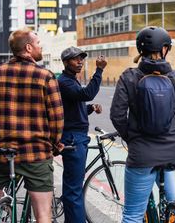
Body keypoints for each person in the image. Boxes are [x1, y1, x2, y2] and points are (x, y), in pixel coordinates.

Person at [110, 26, 175, 223]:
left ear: (141, 50)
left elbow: (117, 116)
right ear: (164, 49)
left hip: (142, 154)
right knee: (165, 168)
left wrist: (131, 138)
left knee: (132, 216)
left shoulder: (129, 77)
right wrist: (169, 123)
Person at [0, 27, 64, 223]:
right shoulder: (45, 76)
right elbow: (57, 120)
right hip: (36, 154)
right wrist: (54, 145)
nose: (40, 45)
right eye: (38, 42)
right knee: (43, 214)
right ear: (28, 48)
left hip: (3, 152)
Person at [57, 46, 107, 223]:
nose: (80, 62)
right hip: (73, 138)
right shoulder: (64, 82)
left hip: (76, 136)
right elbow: (88, 93)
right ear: (65, 62)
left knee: (73, 187)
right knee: (74, 191)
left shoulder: (71, 81)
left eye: (81, 59)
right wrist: (99, 70)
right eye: (75, 59)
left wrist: (91, 108)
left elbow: (75, 109)